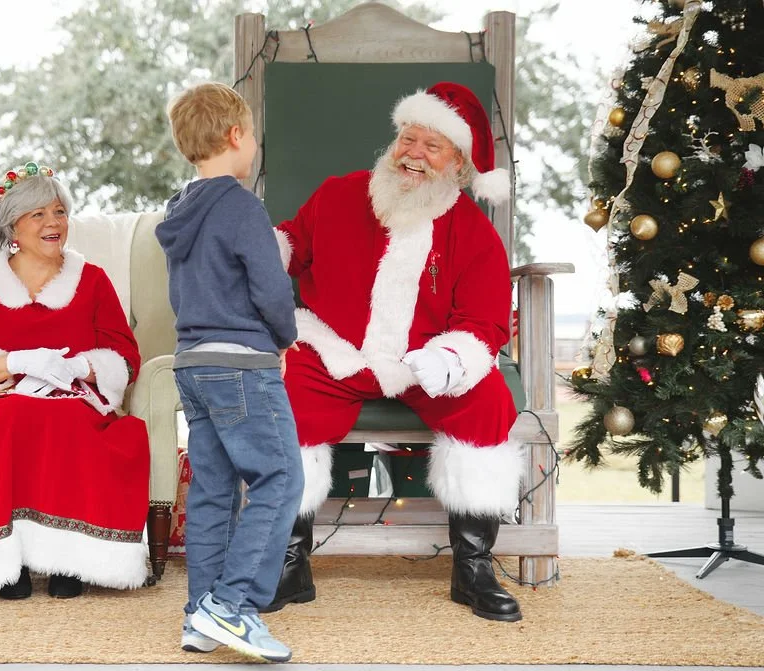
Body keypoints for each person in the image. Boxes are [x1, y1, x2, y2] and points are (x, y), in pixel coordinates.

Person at [270, 82, 524, 622]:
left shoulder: (474, 233)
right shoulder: (339, 193)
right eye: (408, 138)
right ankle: (289, 564)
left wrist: (449, 359)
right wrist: (255, 246)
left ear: (458, 164)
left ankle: (473, 568)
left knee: (486, 402)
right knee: (285, 398)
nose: (413, 154)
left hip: (423, 364)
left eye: (432, 147)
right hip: (338, 352)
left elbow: (483, 323)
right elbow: (288, 248)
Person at [0, 161, 149, 601]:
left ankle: (66, 562)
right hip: (3, 401)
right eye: (39, 214)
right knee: (14, 417)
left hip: (74, 400)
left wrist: (79, 368)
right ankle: (8, 564)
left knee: (66, 422)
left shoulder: (92, 281)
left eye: (60, 212)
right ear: (12, 224)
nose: (54, 223)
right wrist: (16, 361)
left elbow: (124, 355)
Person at [158, 82, 302, 663]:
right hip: (242, 364)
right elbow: (270, 288)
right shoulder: (241, 205)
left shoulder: (179, 211)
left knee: (215, 488)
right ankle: (233, 606)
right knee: (280, 478)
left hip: (192, 364)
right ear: (236, 135)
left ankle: (200, 614)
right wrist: (286, 339)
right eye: (254, 137)